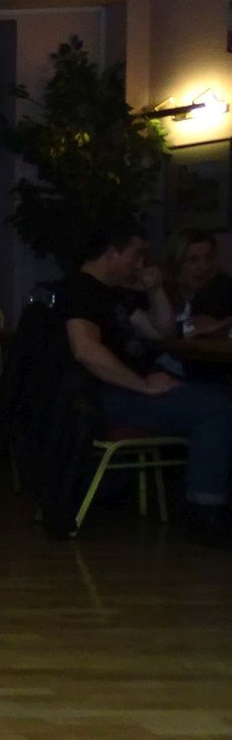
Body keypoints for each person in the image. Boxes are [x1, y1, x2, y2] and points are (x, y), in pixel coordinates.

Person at [58, 222, 232, 548]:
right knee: (217, 407)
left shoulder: (114, 293)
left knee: (217, 397)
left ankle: (206, 503)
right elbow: (85, 350)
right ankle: (204, 513)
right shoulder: (81, 290)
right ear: (113, 252)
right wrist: (142, 385)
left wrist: (154, 292)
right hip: (102, 395)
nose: (141, 264)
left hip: (126, 388)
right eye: (136, 255)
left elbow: (162, 334)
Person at [161, 230, 232, 340]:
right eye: (193, 259)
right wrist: (188, 329)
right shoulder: (159, 292)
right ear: (175, 262)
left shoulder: (223, 287)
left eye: (208, 258)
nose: (204, 267)